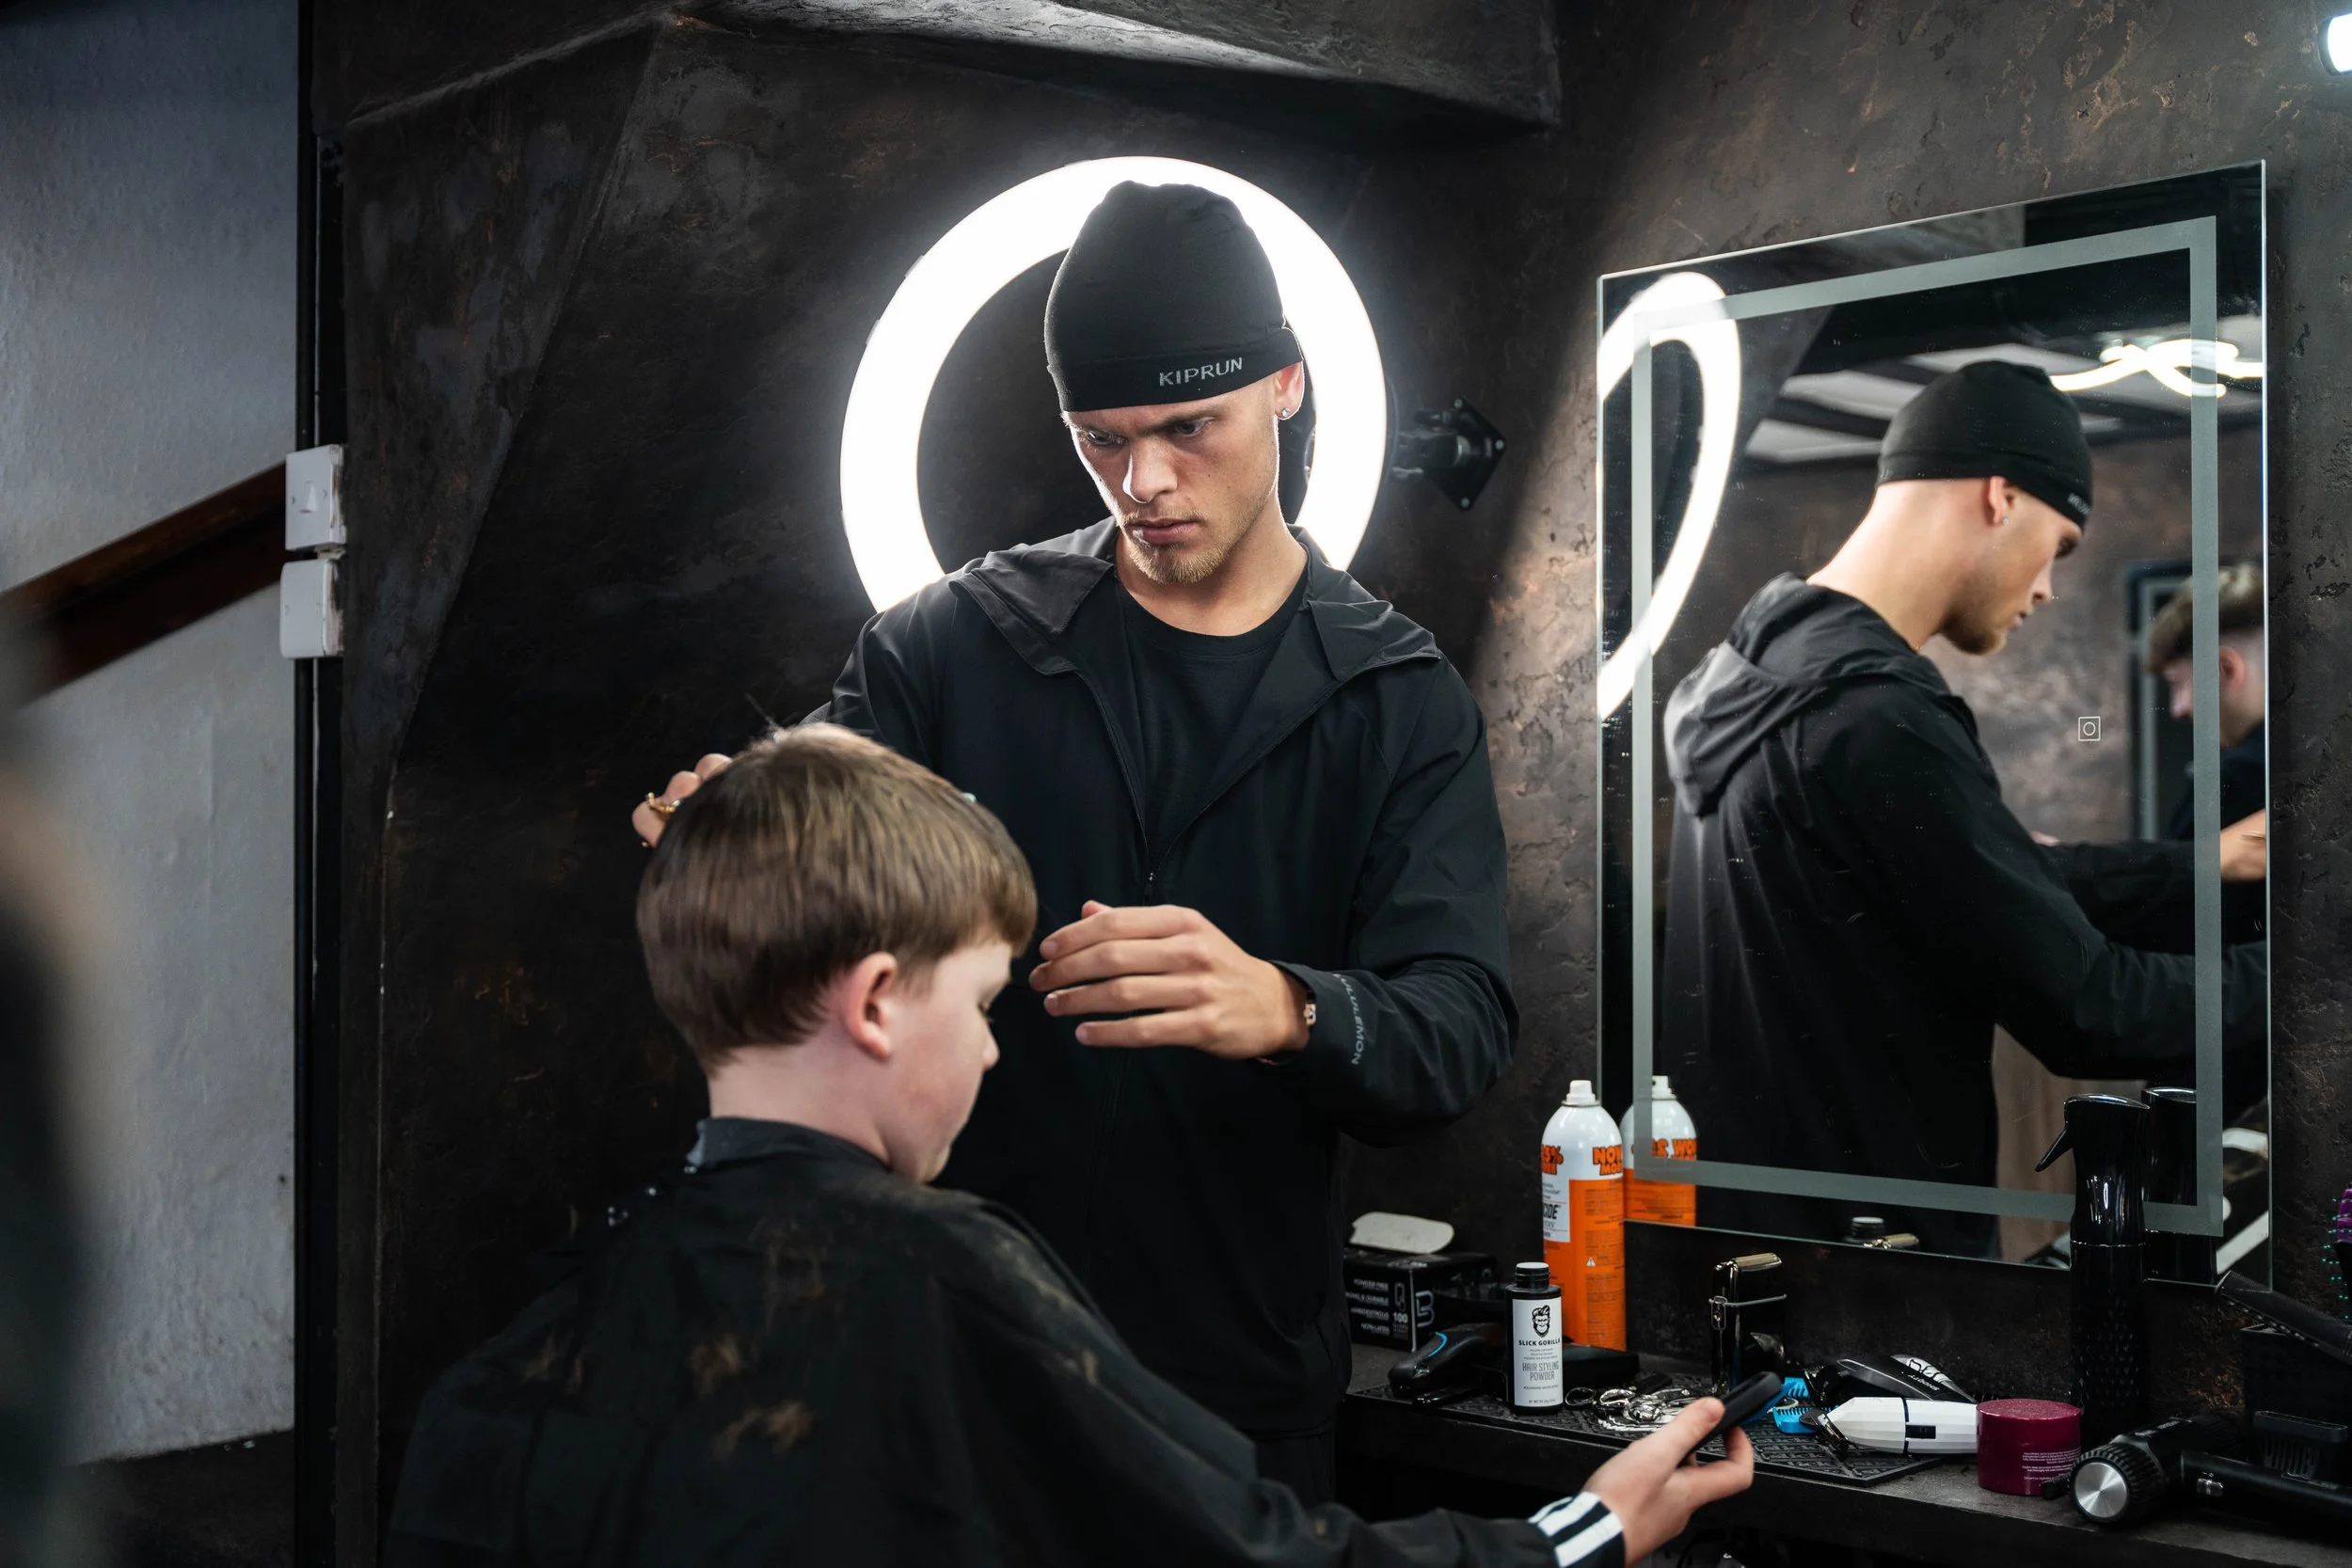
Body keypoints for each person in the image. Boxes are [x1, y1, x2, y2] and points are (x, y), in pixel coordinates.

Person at [635, 182, 1515, 1497]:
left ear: (1286, 384)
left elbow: (1458, 1028)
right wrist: (729, 836)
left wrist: (1284, 1007)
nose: (1144, 482)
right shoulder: (953, 644)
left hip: (1234, 1405)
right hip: (946, 1373)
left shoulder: (1399, 701)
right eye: (1102, 439)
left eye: (1187, 428)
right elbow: (802, 903)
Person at [393, 726, 1751, 1567]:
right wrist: (1589, 1527)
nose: (993, 1053)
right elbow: (1255, 1556)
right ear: (877, 1001)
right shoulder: (940, 1277)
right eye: (983, 1005)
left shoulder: (544, 1331)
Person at [1659, 361, 2268, 1256]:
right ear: (2000, 497)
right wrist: (2311, 976)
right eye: (2059, 545)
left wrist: (2203, 862)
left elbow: (1966, 877)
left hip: (1755, 1244)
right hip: (1884, 1276)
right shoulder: (1877, 717)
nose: (2047, 586)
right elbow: (2091, 1004)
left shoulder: (1740, 676)